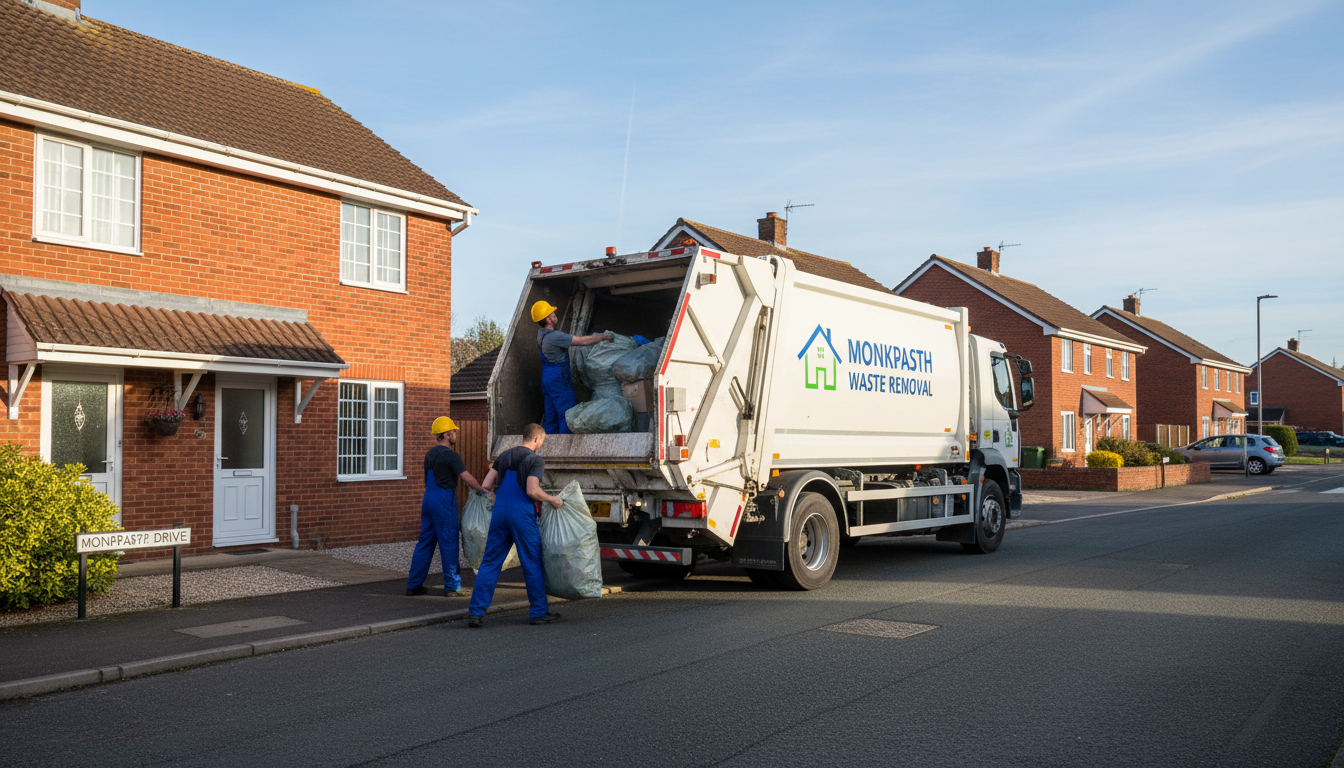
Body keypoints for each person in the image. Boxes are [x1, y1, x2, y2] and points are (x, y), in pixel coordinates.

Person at [467, 422, 563, 626]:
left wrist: (492, 495)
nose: (541, 445)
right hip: (521, 515)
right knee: (531, 561)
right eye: (542, 441)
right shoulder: (535, 459)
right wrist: (553, 500)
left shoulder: (503, 456)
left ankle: (475, 612)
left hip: (500, 513)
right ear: (536, 438)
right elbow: (532, 491)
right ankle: (538, 612)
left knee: (490, 562)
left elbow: (485, 485)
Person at [406, 417, 491, 596]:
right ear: (446, 434)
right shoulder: (451, 455)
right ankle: (452, 587)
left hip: (428, 498)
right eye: (453, 432)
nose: (455, 435)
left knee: (425, 542)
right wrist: (484, 490)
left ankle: (413, 584)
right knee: (449, 542)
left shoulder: (429, 454)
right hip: (444, 501)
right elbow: (466, 478)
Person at [531, 300, 614, 435]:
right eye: (552, 313)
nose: (555, 314)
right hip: (558, 378)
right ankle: (564, 448)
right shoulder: (553, 336)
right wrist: (602, 337)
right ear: (548, 318)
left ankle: (548, 448)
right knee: (567, 414)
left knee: (550, 415)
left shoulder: (541, 335)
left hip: (547, 377)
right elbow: (582, 341)